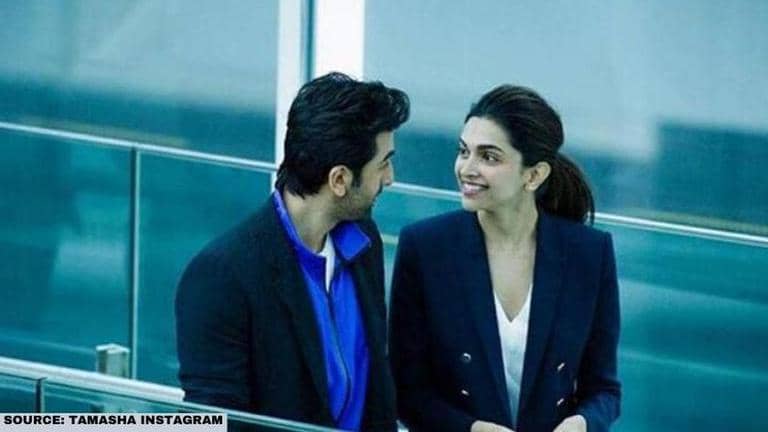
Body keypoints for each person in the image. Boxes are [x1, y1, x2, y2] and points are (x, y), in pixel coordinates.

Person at [175, 72, 409, 431]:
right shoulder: (222, 276)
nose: (390, 178)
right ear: (339, 180)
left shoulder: (364, 241)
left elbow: (377, 390)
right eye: (383, 163)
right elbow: (216, 421)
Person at [389, 85, 620, 432]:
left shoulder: (589, 254)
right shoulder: (424, 248)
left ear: (534, 175)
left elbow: (604, 389)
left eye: (489, 157)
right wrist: (471, 429)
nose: (466, 168)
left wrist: (581, 423)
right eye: (463, 151)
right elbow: (407, 390)